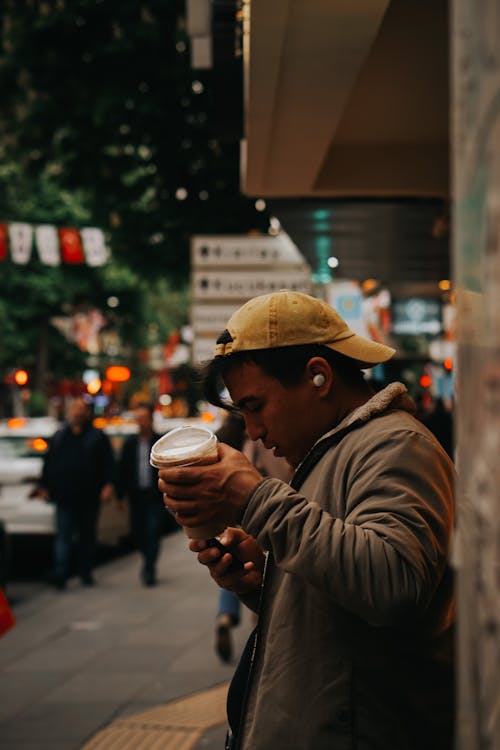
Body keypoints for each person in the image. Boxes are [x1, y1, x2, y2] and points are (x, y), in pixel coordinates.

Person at [158, 289, 456, 750]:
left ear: (319, 376)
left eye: (256, 407)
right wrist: (261, 582)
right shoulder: (334, 450)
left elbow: (395, 584)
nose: (253, 431)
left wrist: (257, 498)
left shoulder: (397, 445)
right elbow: (344, 603)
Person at [214, 412, 292, 662]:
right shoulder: (263, 437)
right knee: (260, 570)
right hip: (266, 512)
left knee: (236, 565)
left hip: (238, 514)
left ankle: (225, 616)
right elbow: (281, 477)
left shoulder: (226, 437)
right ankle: (262, 639)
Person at [38, 397, 115, 589]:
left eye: (81, 409)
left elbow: (108, 464)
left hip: (89, 497)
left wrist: (108, 485)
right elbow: (49, 464)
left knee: (87, 537)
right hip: (64, 496)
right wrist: (44, 486)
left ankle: (85, 572)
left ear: (87, 413)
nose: (77, 413)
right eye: (74, 409)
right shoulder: (60, 436)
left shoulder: (97, 436)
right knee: (63, 537)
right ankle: (61, 574)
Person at [117, 402, 166, 586]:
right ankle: (147, 559)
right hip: (136, 495)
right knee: (139, 533)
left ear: (151, 420)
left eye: (144, 419)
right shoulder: (130, 443)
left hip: (154, 495)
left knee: (152, 532)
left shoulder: (160, 442)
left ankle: (149, 567)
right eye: (138, 419)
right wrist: (120, 495)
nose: (141, 423)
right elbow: (122, 470)